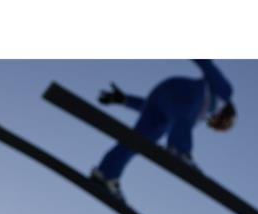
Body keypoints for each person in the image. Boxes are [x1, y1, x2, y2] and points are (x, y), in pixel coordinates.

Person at [89, 60, 236, 201]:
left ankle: (105, 175)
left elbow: (148, 107)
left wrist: (124, 100)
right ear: (227, 116)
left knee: (138, 141)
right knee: (185, 112)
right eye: (222, 124)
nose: (214, 123)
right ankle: (179, 151)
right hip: (180, 91)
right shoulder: (225, 92)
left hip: (161, 97)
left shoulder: (193, 118)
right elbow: (208, 68)